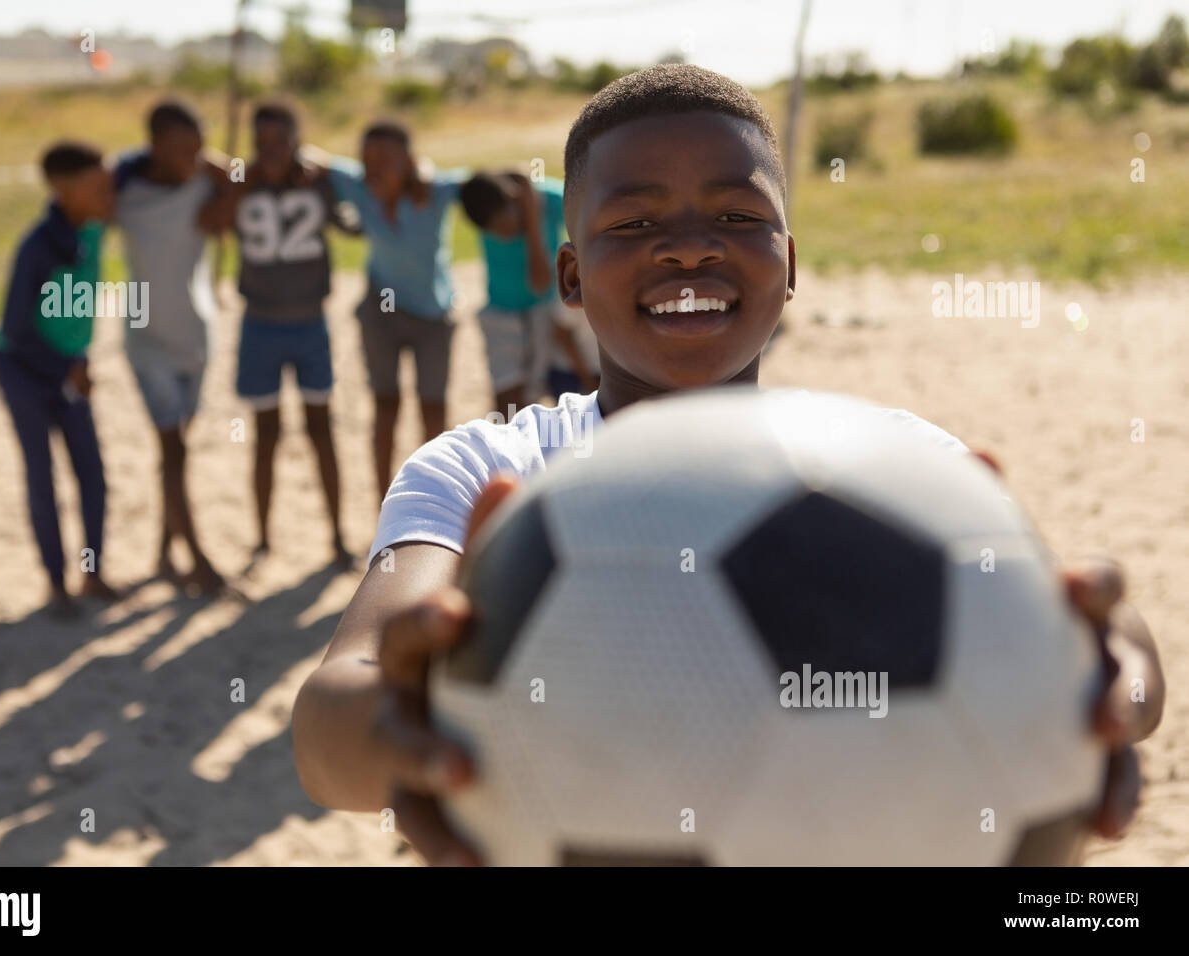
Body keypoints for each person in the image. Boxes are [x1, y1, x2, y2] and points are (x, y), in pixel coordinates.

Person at [290, 66, 1165, 864]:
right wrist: (403, 718)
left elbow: (1106, 634)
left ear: (790, 267)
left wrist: (1097, 671)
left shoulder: (894, 473)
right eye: (634, 222)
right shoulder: (489, 470)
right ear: (568, 273)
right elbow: (332, 725)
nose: (689, 248)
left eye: (738, 218)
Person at [218, 102, 356, 563]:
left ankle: (337, 535)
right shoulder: (244, 182)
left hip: (310, 322)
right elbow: (212, 221)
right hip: (259, 323)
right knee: (265, 433)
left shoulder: (317, 182)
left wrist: (327, 173)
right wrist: (241, 178)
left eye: (281, 142)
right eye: (263, 143)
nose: (271, 151)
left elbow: (353, 225)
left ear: (297, 141)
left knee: (322, 428)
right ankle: (262, 537)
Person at [0, 141, 120, 616]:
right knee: (42, 476)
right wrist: (68, 369)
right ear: (63, 190)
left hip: (72, 368)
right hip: (26, 372)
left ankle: (93, 573)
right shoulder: (38, 248)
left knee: (92, 472)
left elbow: (132, 165)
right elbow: (15, 329)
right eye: (99, 185)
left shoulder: (91, 226)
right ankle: (56, 585)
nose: (111, 192)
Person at [113, 100, 229, 594]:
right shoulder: (126, 193)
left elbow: (240, 185)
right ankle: (199, 561)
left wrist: (212, 164)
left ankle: (163, 551)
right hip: (147, 342)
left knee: (177, 452)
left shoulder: (205, 187)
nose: (190, 157)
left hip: (196, 335)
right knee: (173, 448)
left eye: (197, 147)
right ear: (153, 146)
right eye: (179, 148)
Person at [320, 122, 466, 493]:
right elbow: (311, 159)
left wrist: (427, 172)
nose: (373, 168)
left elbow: (485, 182)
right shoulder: (356, 185)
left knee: (433, 409)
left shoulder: (434, 192)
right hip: (380, 313)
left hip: (433, 315)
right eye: (366, 159)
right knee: (385, 407)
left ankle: (434, 495)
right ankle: (385, 502)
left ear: (409, 162)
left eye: (385, 159)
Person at [459, 170, 566, 411]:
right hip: (500, 314)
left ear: (513, 199)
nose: (503, 233)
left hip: (546, 311)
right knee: (507, 401)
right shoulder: (479, 201)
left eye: (506, 223)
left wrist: (532, 221)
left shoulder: (550, 200)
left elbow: (540, 284)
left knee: (553, 391)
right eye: (494, 230)